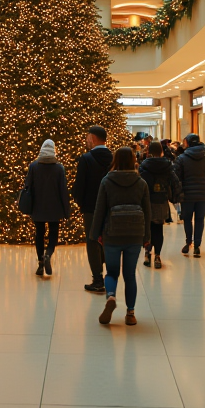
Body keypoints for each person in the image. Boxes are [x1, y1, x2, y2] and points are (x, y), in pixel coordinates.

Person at [89, 145, 151, 326]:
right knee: (130, 274)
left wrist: (96, 234)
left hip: (112, 233)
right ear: (133, 160)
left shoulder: (107, 181)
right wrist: (147, 237)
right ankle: (130, 313)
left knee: (112, 272)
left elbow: (100, 209)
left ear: (115, 160)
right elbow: (147, 212)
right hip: (134, 235)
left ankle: (111, 296)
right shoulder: (141, 183)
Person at [72, 125, 113, 294]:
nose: (86, 140)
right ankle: (109, 276)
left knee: (92, 240)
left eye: (88, 137)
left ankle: (97, 279)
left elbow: (79, 186)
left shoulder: (86, 159)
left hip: (90, 207)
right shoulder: (114, 158)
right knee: (107, 239)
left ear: (93, 138)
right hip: (110, 206)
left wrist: (80, 203)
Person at [22, 138, 71, 276]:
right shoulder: (59, 168)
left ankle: (40, 262)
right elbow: (63, 190)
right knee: (53, 233)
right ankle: (48, 253)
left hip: (38, 206)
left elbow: (28, 186)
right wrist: (66, 210)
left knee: (39, 234)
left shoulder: (34, 166)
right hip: (55, 208)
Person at [140, 140, 181, 269]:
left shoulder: (144, 166)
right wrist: (176, 198)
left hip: (147, 201)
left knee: (147, 229)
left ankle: (147, 253)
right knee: (158, 229)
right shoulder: (167, 165)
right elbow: (175, 182)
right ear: (161, 151)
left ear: (149, 152)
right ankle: (157, 255)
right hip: (161, 200)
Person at [173, 133, 205, 257]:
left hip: (187, 194)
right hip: (204, 194)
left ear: (188, 143)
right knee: (200, 219)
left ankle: (188, 242)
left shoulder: (181, 159)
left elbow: (176, 176)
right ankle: (197, 245)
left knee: (187, 219)